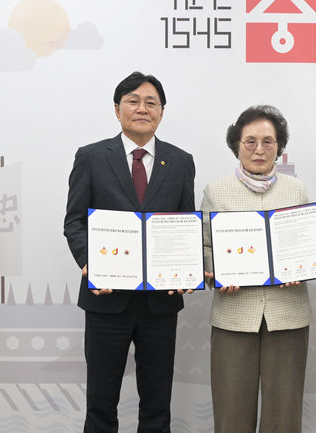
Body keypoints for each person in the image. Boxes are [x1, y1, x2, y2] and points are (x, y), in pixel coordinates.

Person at [64, 71, 195, 433]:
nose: (142, 109)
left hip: (160, 302)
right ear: (117, 109)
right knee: (101, 403)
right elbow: (74, 221)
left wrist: (186, 267)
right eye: (133, 101)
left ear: (162, 111)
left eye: (151, 102)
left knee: (157, 404)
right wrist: (90, 262)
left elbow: (184, 224)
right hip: (106, 299)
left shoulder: (180, 161)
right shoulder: (91, 157)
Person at [201, 105, 312, 433]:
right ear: (237, 145)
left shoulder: (296, 190)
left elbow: (306, 245)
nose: (259, 149)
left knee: (284, 416)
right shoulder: (216, 191)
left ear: (279, 147)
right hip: (233, 315)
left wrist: (301, 267)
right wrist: (217, 273)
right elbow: (204, 246)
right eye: (250, 141)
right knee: (231, 413)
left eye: (268, 141)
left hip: (287, 314)